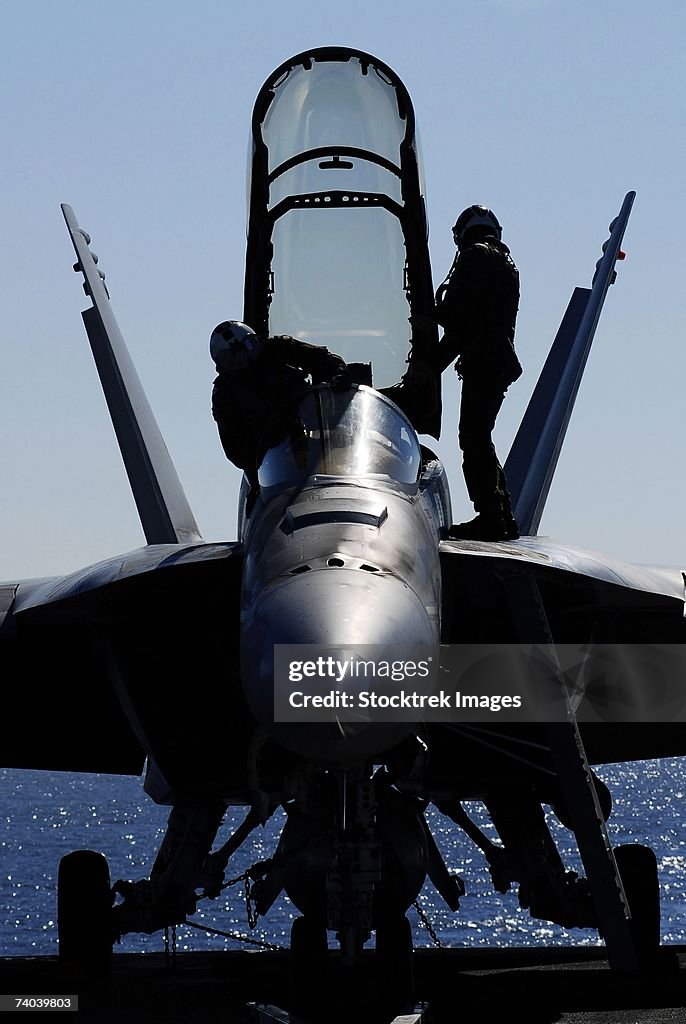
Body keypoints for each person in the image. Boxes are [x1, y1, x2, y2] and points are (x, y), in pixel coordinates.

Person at [431, 205, 522, 541]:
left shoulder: (475, 257)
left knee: (473, 437)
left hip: (483, 361)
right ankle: (501, 515)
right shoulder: (505, 263)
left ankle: (492, 516)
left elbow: (460, 316)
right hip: (495, 362)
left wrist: (430, 319)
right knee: (480, 435)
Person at [210, 321, 349, 503]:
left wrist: (339, 375)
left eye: (248, 347)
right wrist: (275, 445)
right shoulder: (225, 394)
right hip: (275, 466)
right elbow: (237, 452)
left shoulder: (278, 349)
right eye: (234, 357)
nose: (246, 358)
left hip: (317, 435)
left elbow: (322, 359)